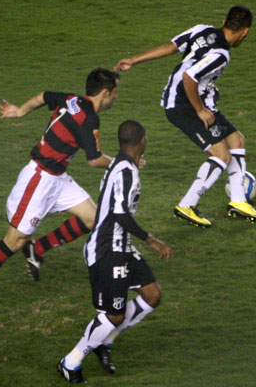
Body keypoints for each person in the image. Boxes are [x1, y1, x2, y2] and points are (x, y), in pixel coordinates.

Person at [0, 68, 119, 306]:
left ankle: (39, 249)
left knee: (93, 218)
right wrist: (122, 163)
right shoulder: (89, 118)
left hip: (57, 177)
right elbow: (94, 159)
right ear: (105, 93)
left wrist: (20, 110)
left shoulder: (71, 99)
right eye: (115, 93)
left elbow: (43, 96)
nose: (116, 98)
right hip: (39, 180)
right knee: (15, 241)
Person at [115, 5, 256, 227]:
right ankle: (187, 205)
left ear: (225, 20)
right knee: (221, 155)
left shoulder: (202, 30)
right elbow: (189, 77)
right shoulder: (221, 54)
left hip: (196, 101)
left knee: (236, 140)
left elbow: (170, 47)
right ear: (245, 32)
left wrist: (134, 60)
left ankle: (238, 201)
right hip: (183, 105)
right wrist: (199, 111)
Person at [57, 120, 173, 384]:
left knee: (152, 294)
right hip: (108, 250)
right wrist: (152, 240)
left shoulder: (123, 165)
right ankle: (70, 362)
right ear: (142, 141)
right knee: (114, 314)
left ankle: (105, 340)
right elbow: (120, 215)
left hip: (123, 247)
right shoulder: (125, 171)